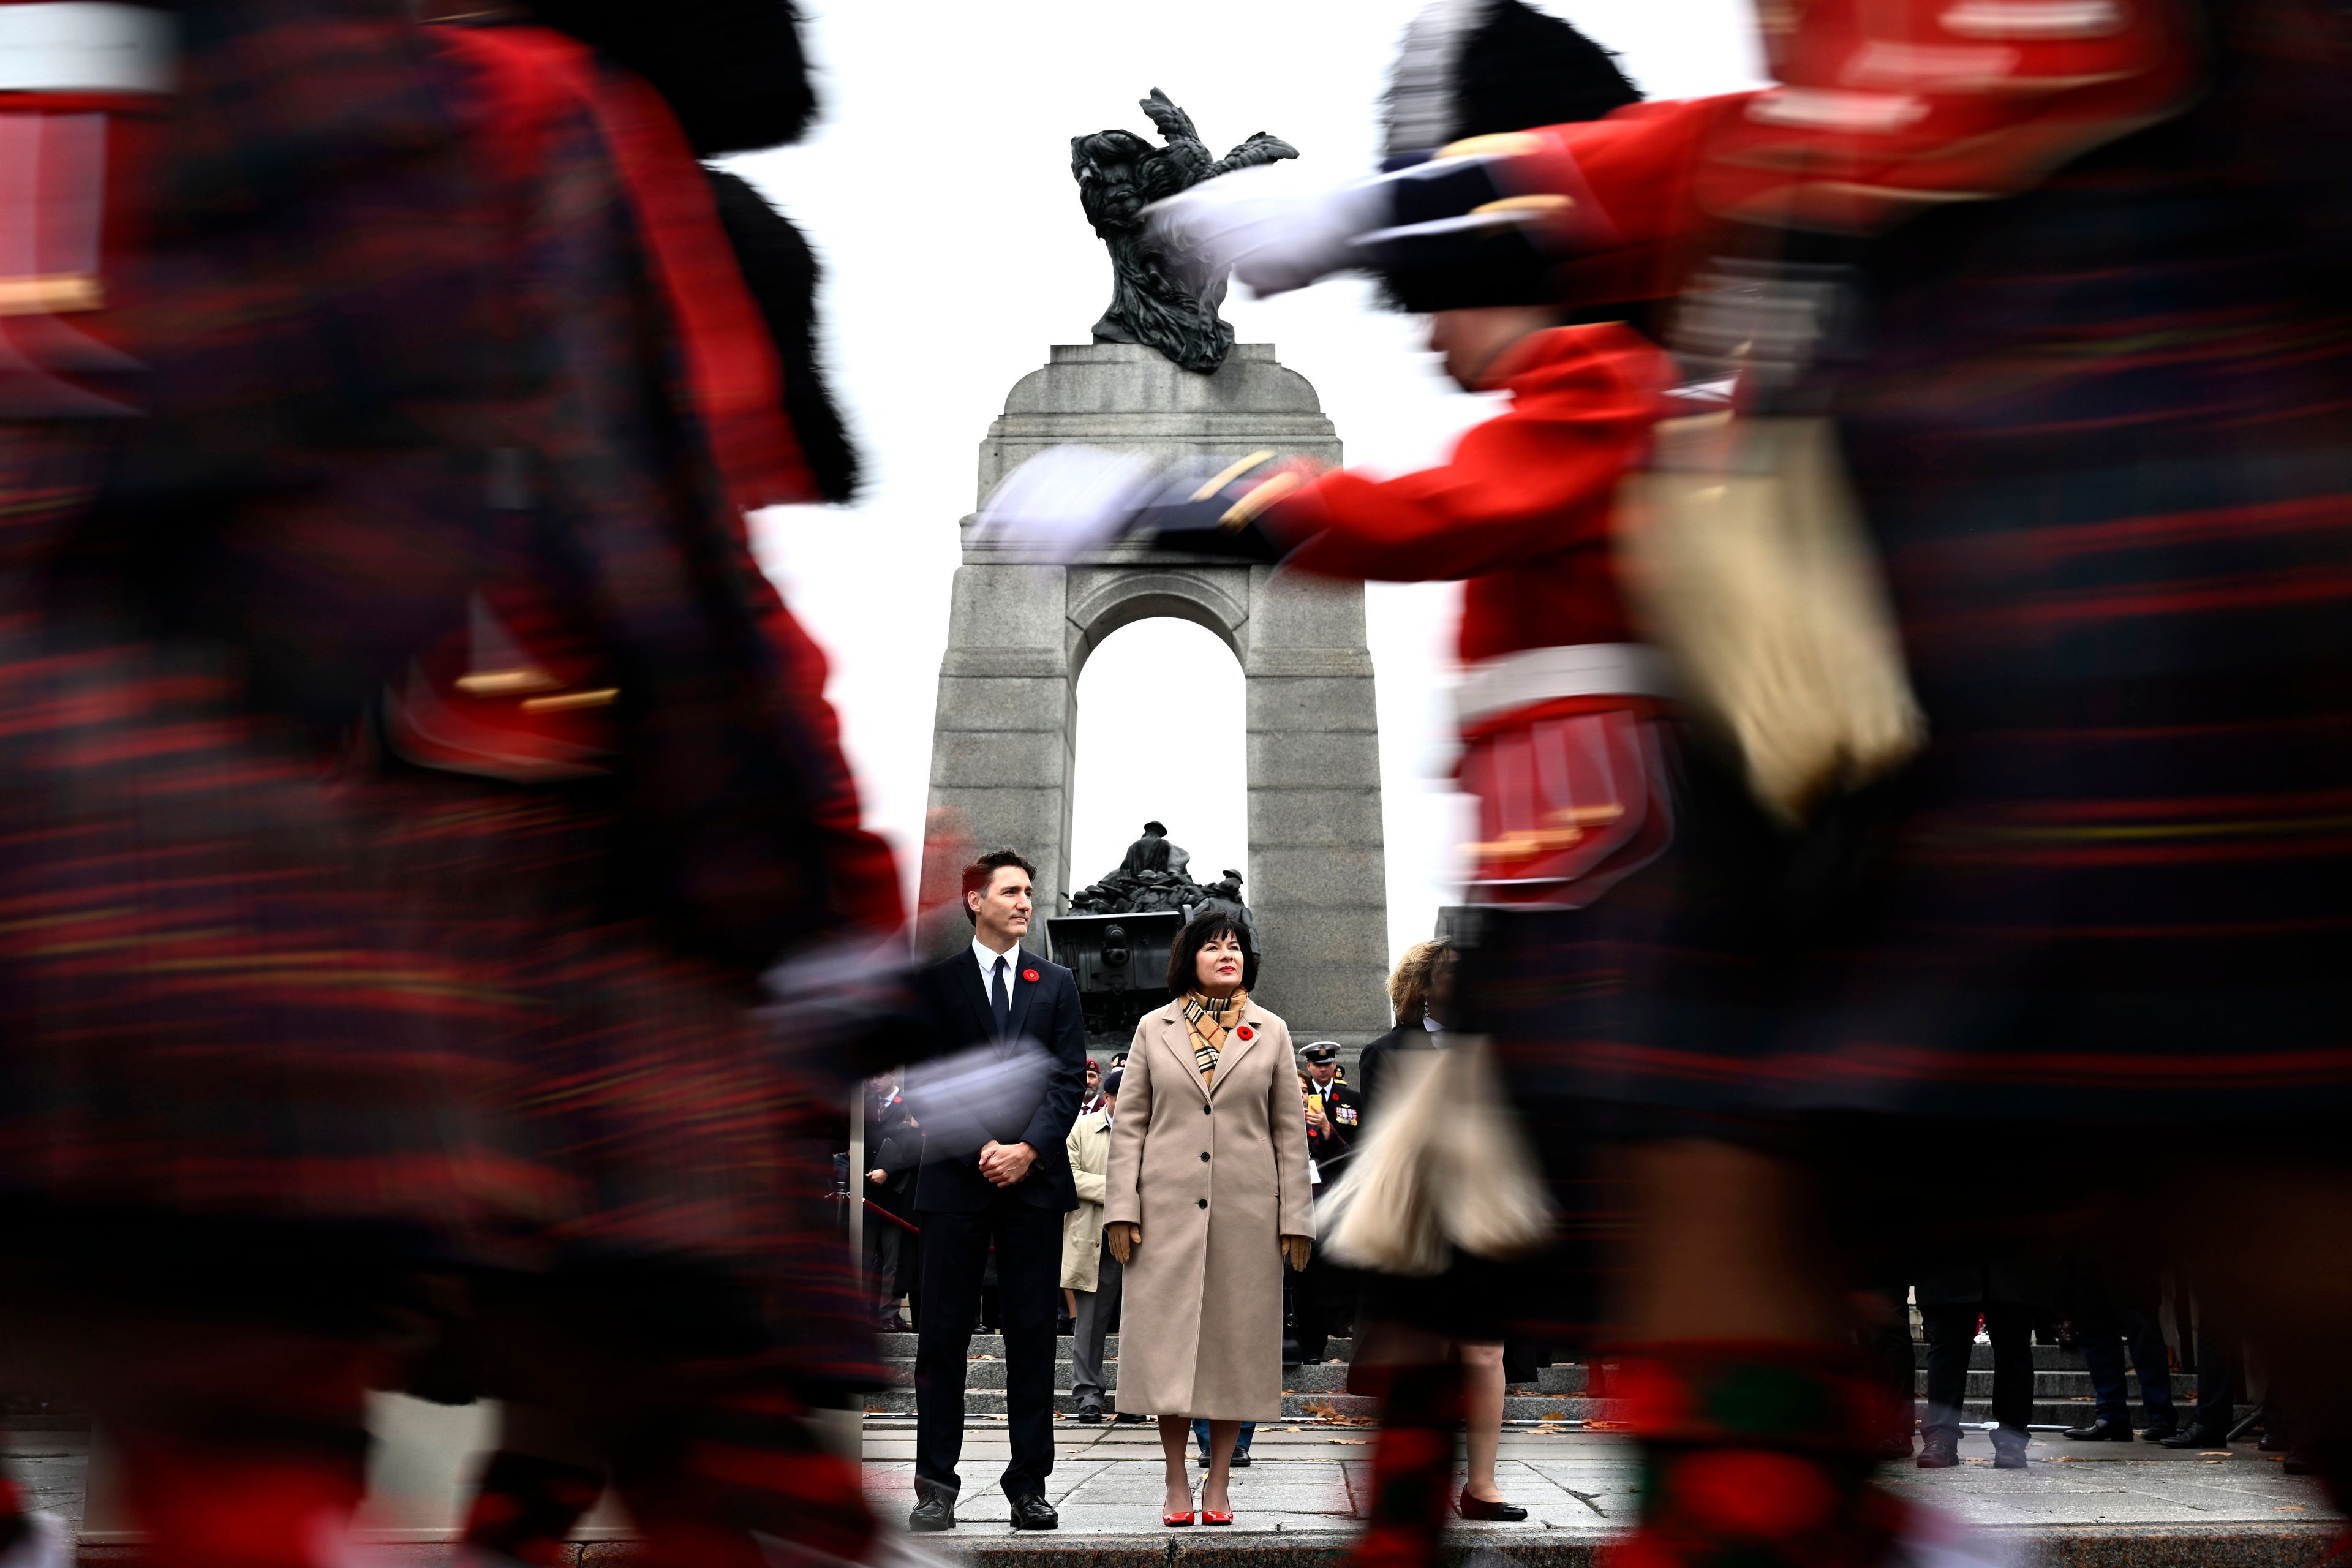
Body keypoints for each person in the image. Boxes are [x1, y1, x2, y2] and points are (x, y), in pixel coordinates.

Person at [1104, 913, 1313, 1526]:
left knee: (1234, 1349)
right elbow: (1131, 1125)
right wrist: (1121, 1205)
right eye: (1213, 945)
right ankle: (1175, 1479)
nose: (1228, 954)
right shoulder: (1153, 1028)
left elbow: (1288, 1131)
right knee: (1167, 1350)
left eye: (1236, 947)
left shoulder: (1270, 1030)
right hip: (1163, 1214)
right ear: (1188, 957)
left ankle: (1218, 1481)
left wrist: (1295, 1214)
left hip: (1248, 1215)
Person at [905, 850, 1090, 1533]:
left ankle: (1029, 1484)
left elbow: (1068, 1078)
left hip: (1034, 1183)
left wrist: (1028, 1149)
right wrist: (986, 1145)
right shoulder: (936, 984)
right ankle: (935, 1484)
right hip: (955, 1179)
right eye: (1011, 891)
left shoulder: (1057, 982)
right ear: (973, 901)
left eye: (1029, 892)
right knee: (943, 1337)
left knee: (1035, 1336)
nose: (1024, 901)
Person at [1065, 1070, 1117, 1422]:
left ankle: (1135, 1397)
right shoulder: (1082, 1128)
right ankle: (1088, 1394)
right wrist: (1119, 1189)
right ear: (1110, 1098)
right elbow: (1068, 1175)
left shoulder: (1155, 1129)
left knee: (1141, 1325)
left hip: (1144, 1240)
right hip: (1094, 1238)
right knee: (1089, 1323)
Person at [1298, 1041, 1362, 1144]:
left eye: (1327, 1064)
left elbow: (1361, 1137)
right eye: (1318, 1064)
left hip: (1344, 1157)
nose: (1323, 1069)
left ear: (1334, 1064)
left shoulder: (1353, 1099)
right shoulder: (1300, 1097)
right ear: (1308, 1065)